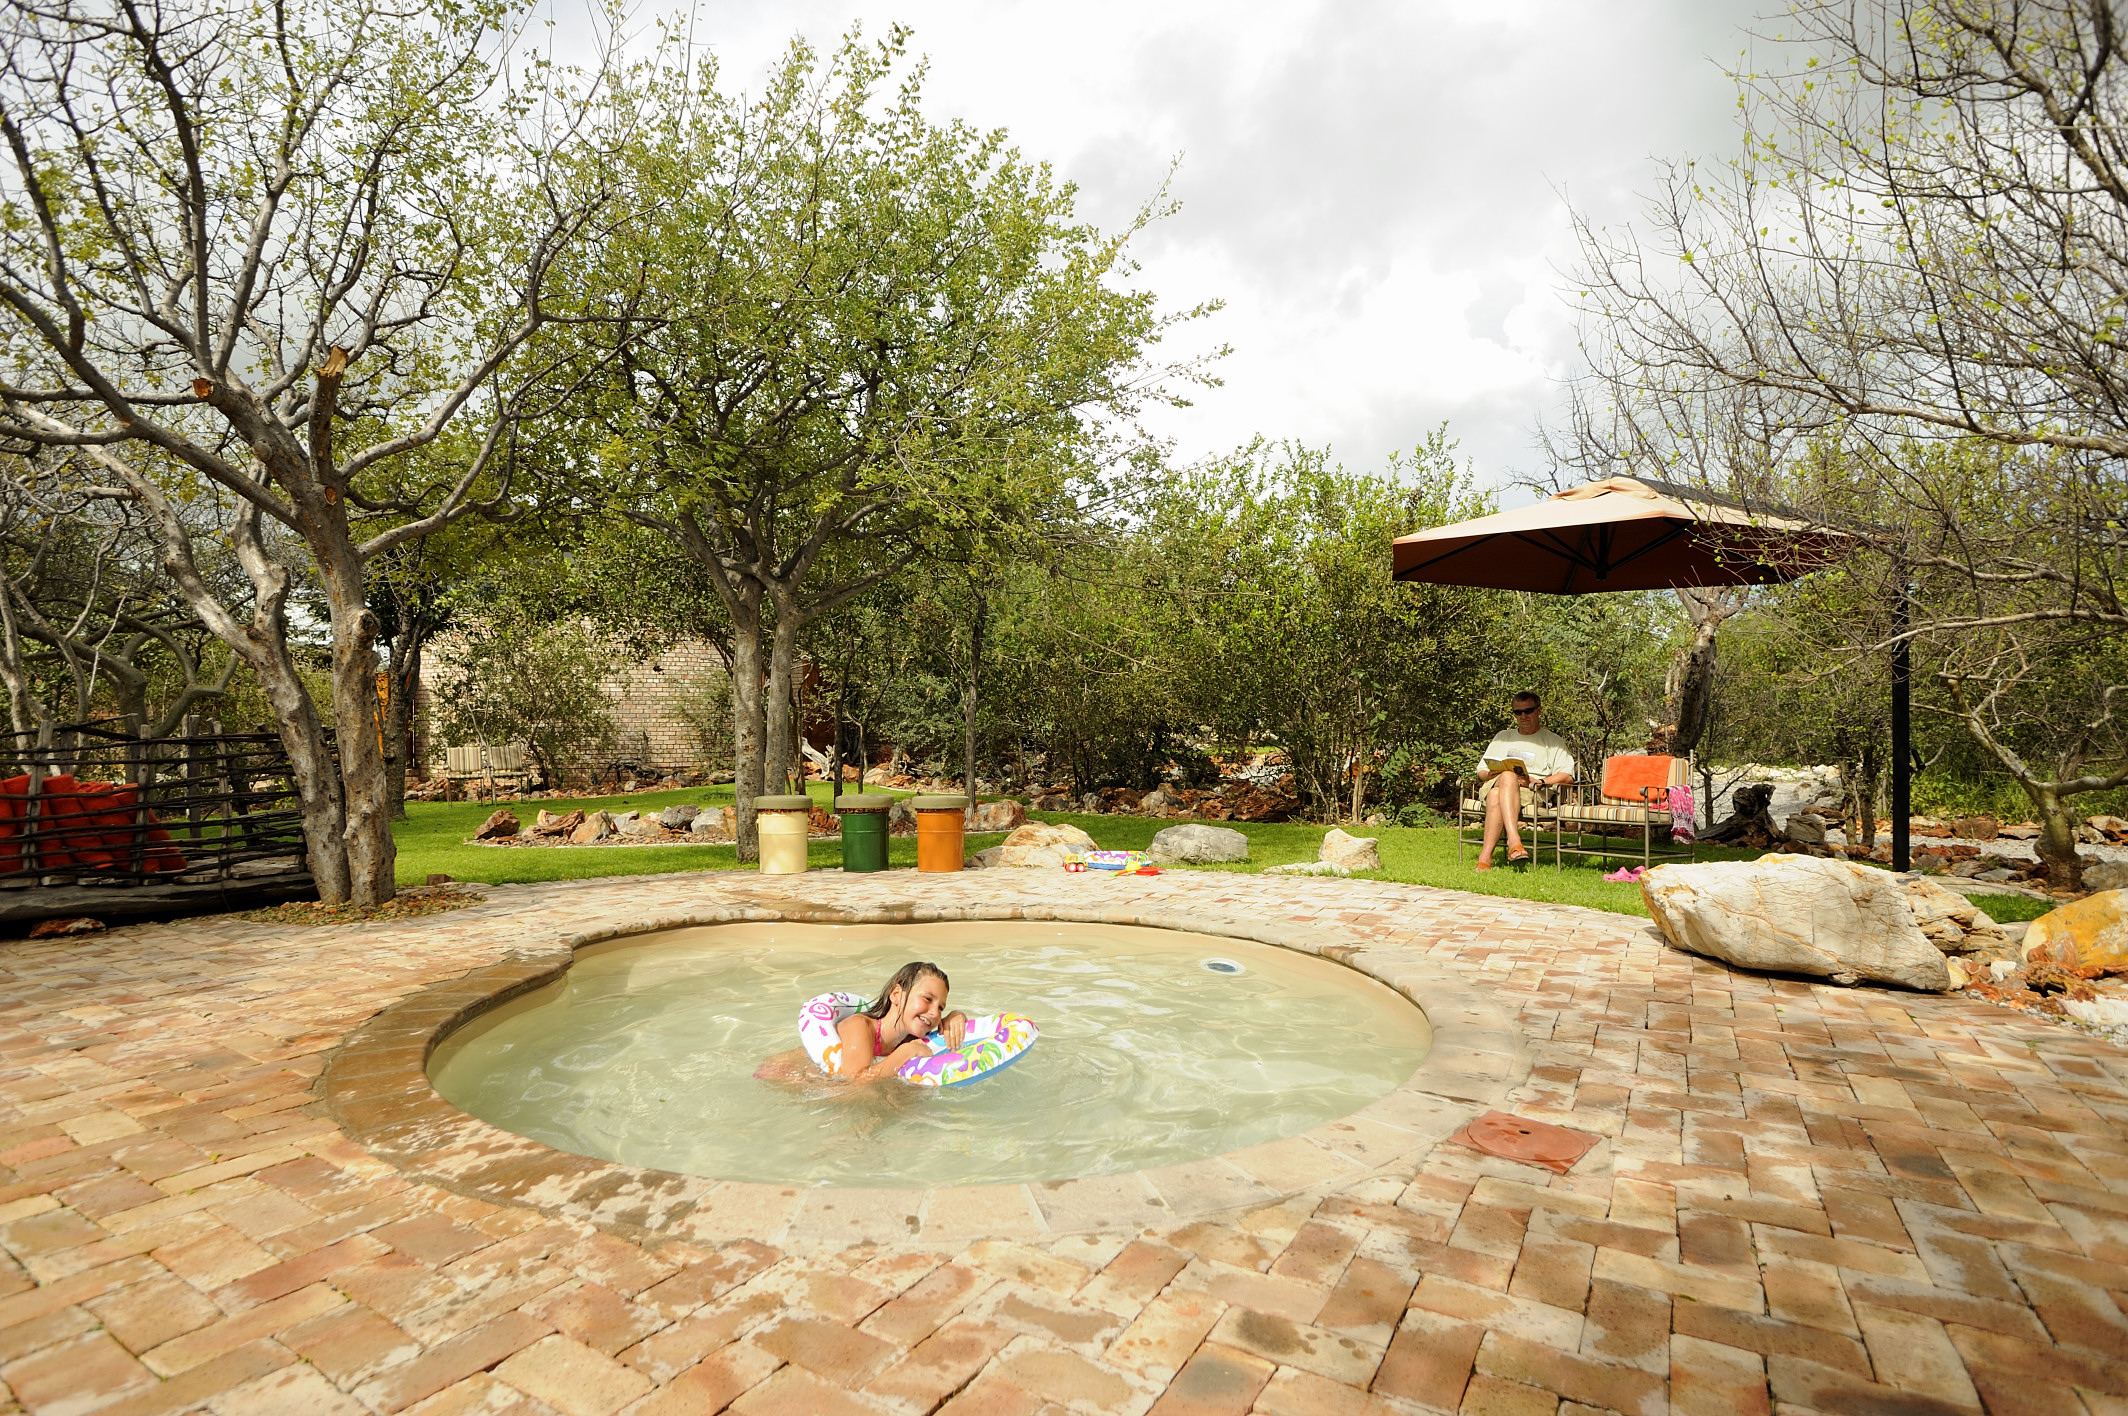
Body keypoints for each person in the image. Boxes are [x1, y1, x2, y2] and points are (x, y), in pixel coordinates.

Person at [763, 961, 970, 1084]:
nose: (935, 1013)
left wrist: (955, 1017)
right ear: (897, 994)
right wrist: (906, 1053)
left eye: (941, 1007)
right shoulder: (860, 1027)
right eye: (927, 999)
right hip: (779, 1077)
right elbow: (855, 1085)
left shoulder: (909, 1039)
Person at [1474, 691, 1575, 871]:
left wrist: (1541, 782)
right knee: (1507, 776)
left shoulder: (1552, 741)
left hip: (1530, 789)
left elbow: (1567, 775)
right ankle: (1514, 840)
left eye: (1528, 711)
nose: (1523, 716)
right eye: (1518, 712)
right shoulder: (1503, 736)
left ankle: (1485, 858)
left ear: (1539, 711)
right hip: (1495, 782)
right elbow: (1480, 770)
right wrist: (1487, 775)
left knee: (1496, 795)